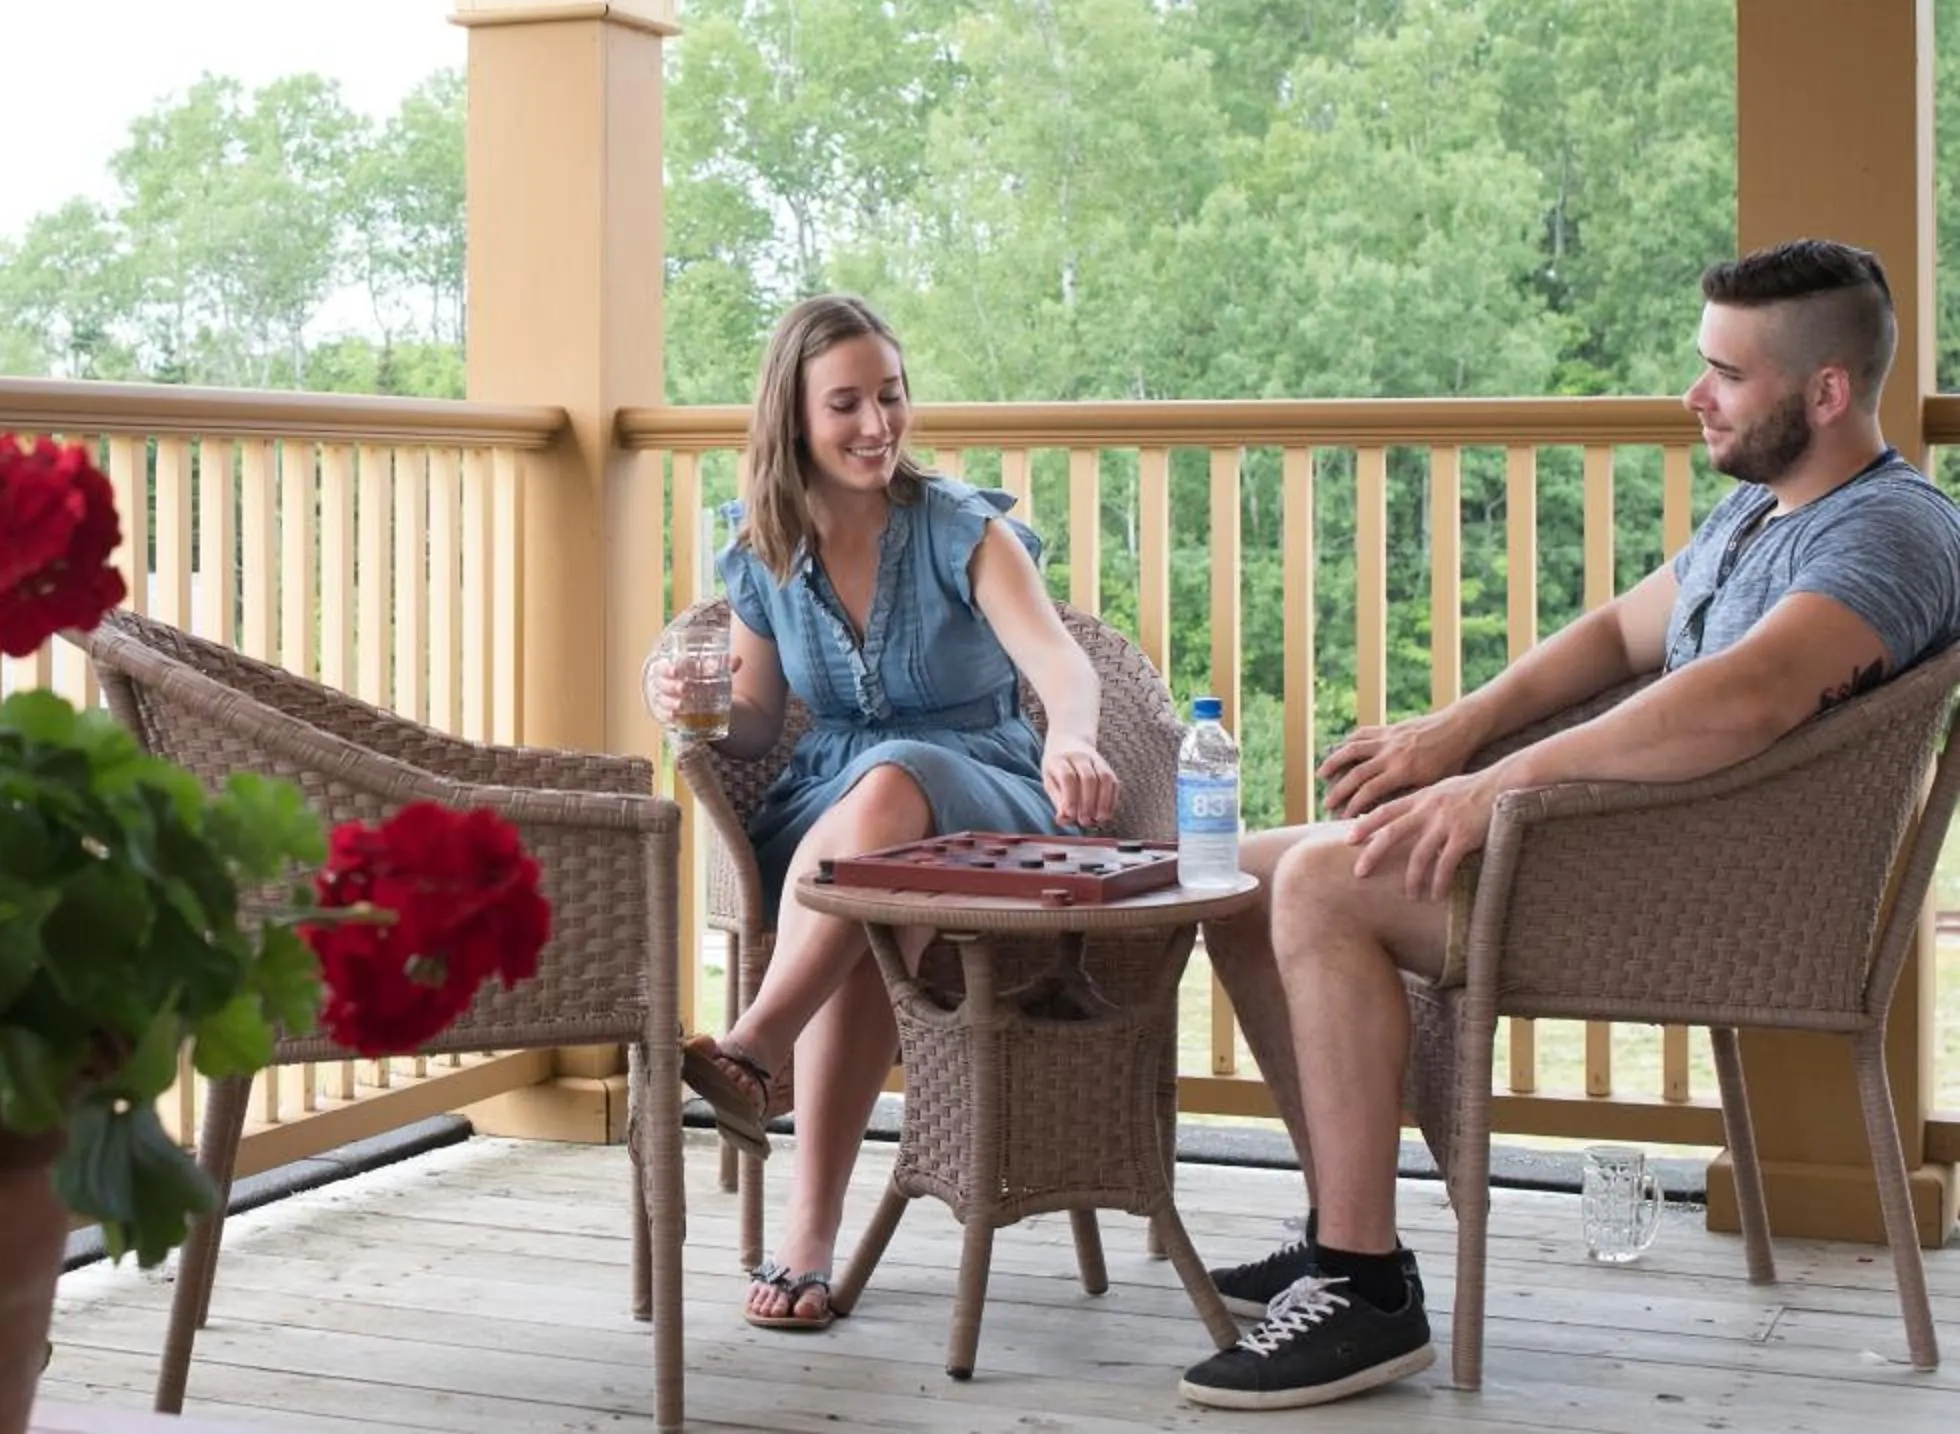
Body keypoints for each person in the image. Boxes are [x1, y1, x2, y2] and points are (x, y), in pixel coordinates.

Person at [1181, 238, 1960, 1410]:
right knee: (1244, 876)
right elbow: (1616, 637)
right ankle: (1342, 1225)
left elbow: (1741, 699)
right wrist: (1458, 730)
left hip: (1706, 896)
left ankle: (1368, 1288)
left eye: (1726, 375)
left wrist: (1496, 787)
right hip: (1632, 859)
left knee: (1324, 883)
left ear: (1828, 392)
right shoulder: (1764, 513)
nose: (1694, 395)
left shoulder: (1884, 535)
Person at [652, 293, 1124, 1331]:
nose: (878, 425)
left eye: (892, 395)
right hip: (836, 814)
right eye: (848, 404)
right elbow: (758, 726)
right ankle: (807, 1242)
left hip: (984, 789)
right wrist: (699, 716)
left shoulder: (965, 529)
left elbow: (1059, 663)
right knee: (872, 870)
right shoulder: (762, 553)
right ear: (795, 421)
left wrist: (1073, 737)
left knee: (895, 784)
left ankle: (756, 1049)